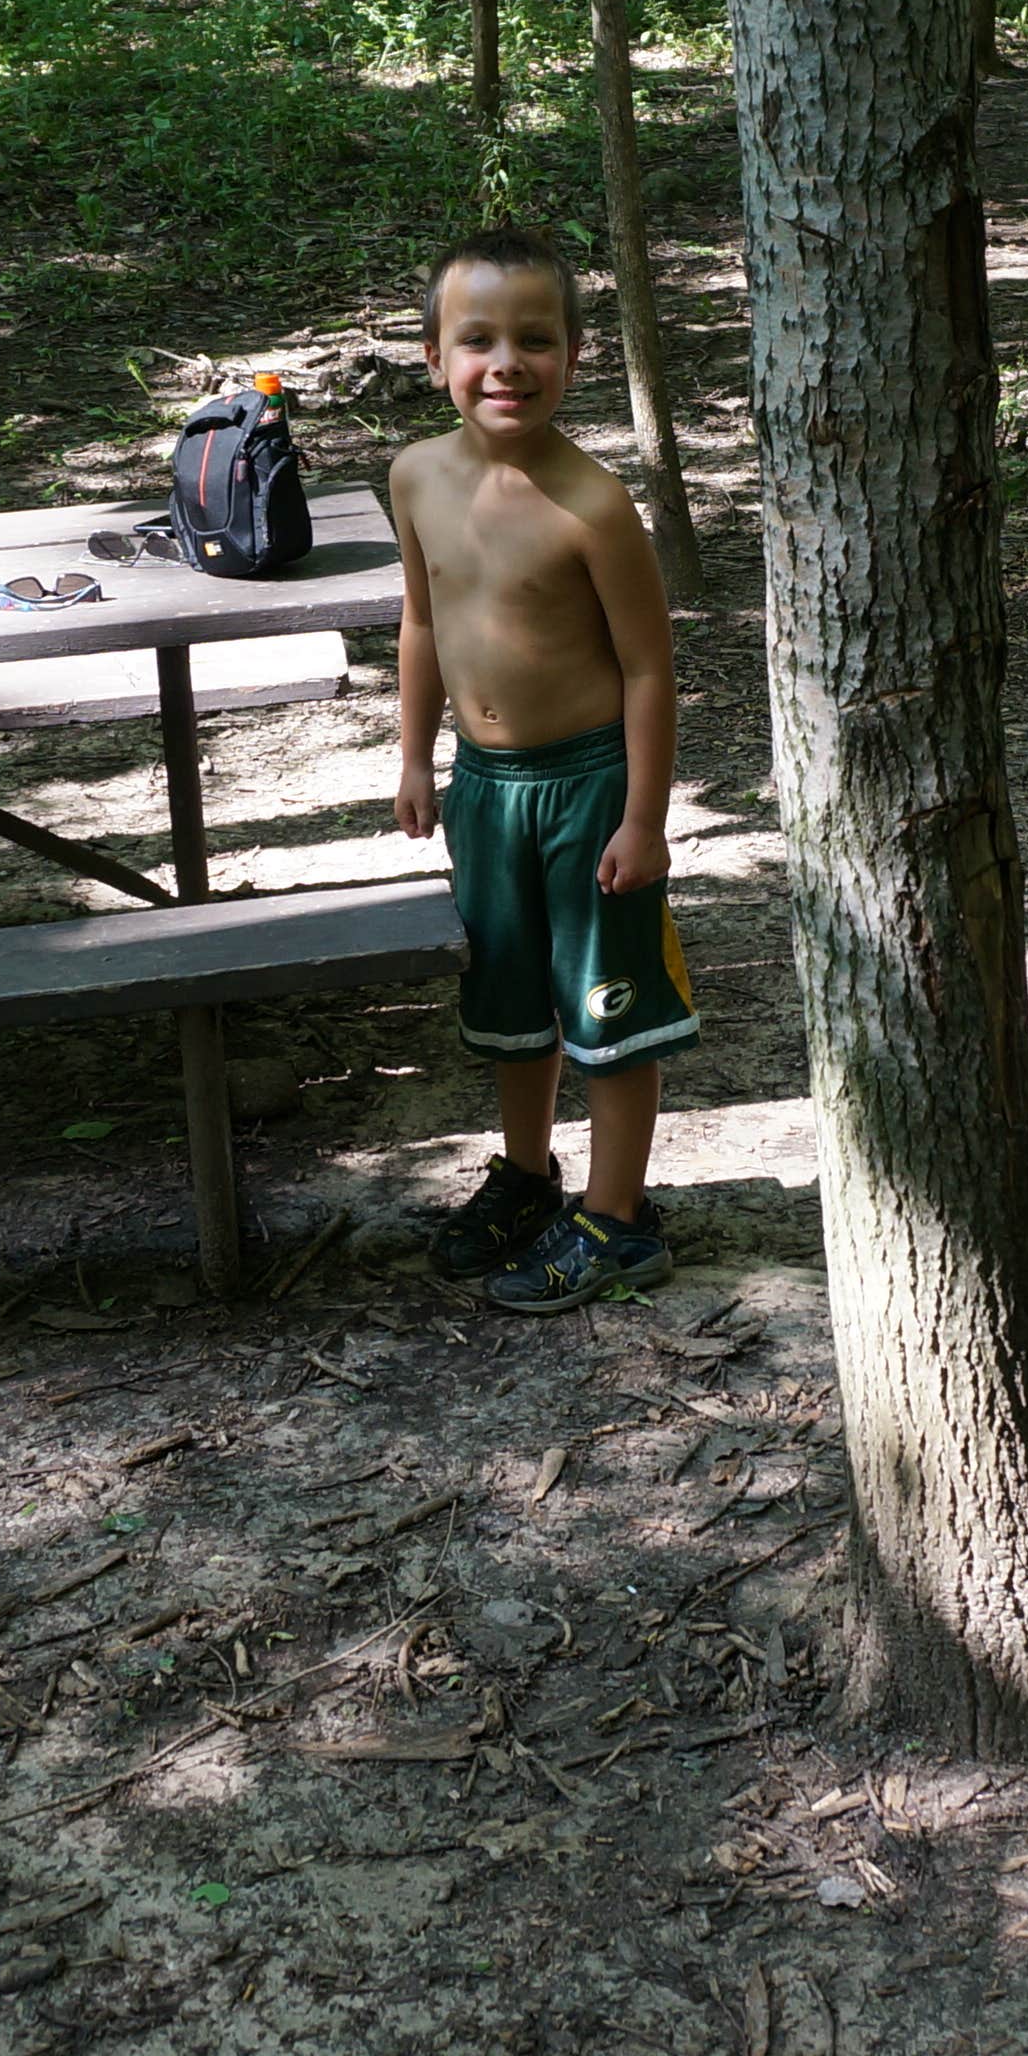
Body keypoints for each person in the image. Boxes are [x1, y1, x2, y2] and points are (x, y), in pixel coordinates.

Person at [388, 225, 698, 1310]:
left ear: (573, 356)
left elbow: (649, 669)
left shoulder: (593, 504)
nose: (504, 362)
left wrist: (644, 819)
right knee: (511, 1003)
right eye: (476, 339)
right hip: (485, 792)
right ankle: (527, 1178)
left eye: (534, 338)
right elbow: (422, 622)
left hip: (590, 794)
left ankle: (616, 1220)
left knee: (607, 1014)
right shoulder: (415, 478)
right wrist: (418, 758)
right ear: (434, 357)